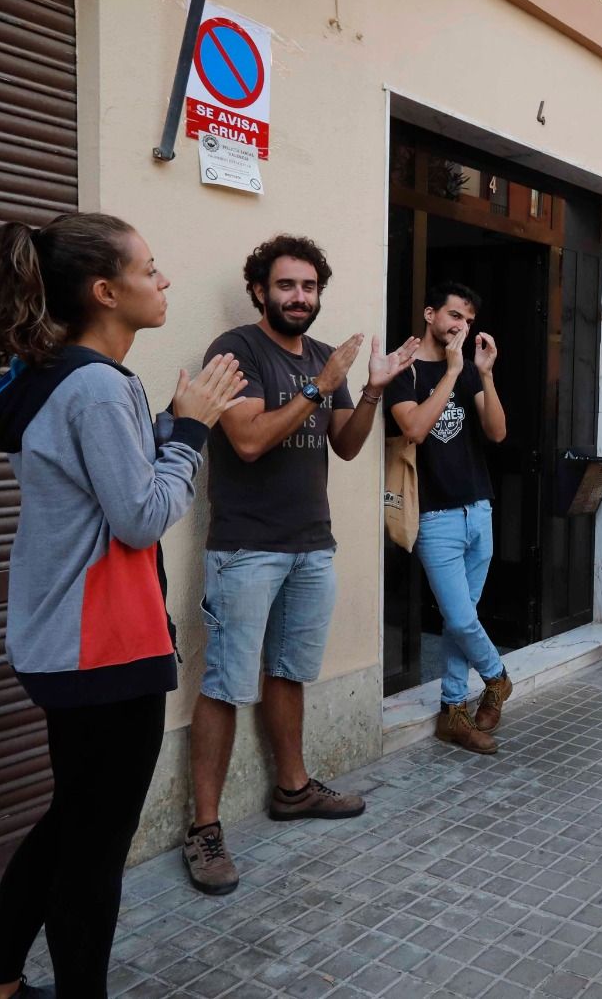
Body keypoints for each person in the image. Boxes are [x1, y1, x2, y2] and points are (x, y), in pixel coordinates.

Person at [0, 213, 245, 999]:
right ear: (104, 291)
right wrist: (191, 433)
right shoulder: (96, 383)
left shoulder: (66, 375)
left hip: (68, 640)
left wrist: (170, 421)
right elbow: (139, 516)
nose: (163, 283)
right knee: (95, 845)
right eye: (150, 270)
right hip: (103, 648)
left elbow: (106, 482)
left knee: (71, 822)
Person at [185, 236, 418, 896]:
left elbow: (345, 447)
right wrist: (320, 387)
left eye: (310, 287)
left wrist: (368, 390)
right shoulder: (236, 350)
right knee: (228, 682)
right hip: (245, 545)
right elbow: (250, 439)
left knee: (289, 671)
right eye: (286, 285)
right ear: (260, 289)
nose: (299, 298)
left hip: (312, 542)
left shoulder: (323, 357)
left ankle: (291, 788)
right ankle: (204, 827)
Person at [386, 281, 511, 752]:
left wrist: (484, 374)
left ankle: (452, 712)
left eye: (468, 320)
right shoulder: (404, 370)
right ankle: (498, 676)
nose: (462, 325)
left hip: (478, 507)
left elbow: (497, 433)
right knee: (459, 618)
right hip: (434, 515)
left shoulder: (469, 372)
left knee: (466, 618)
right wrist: (453, 370)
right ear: (430, 313)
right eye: (455, 315)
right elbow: (415, 428)